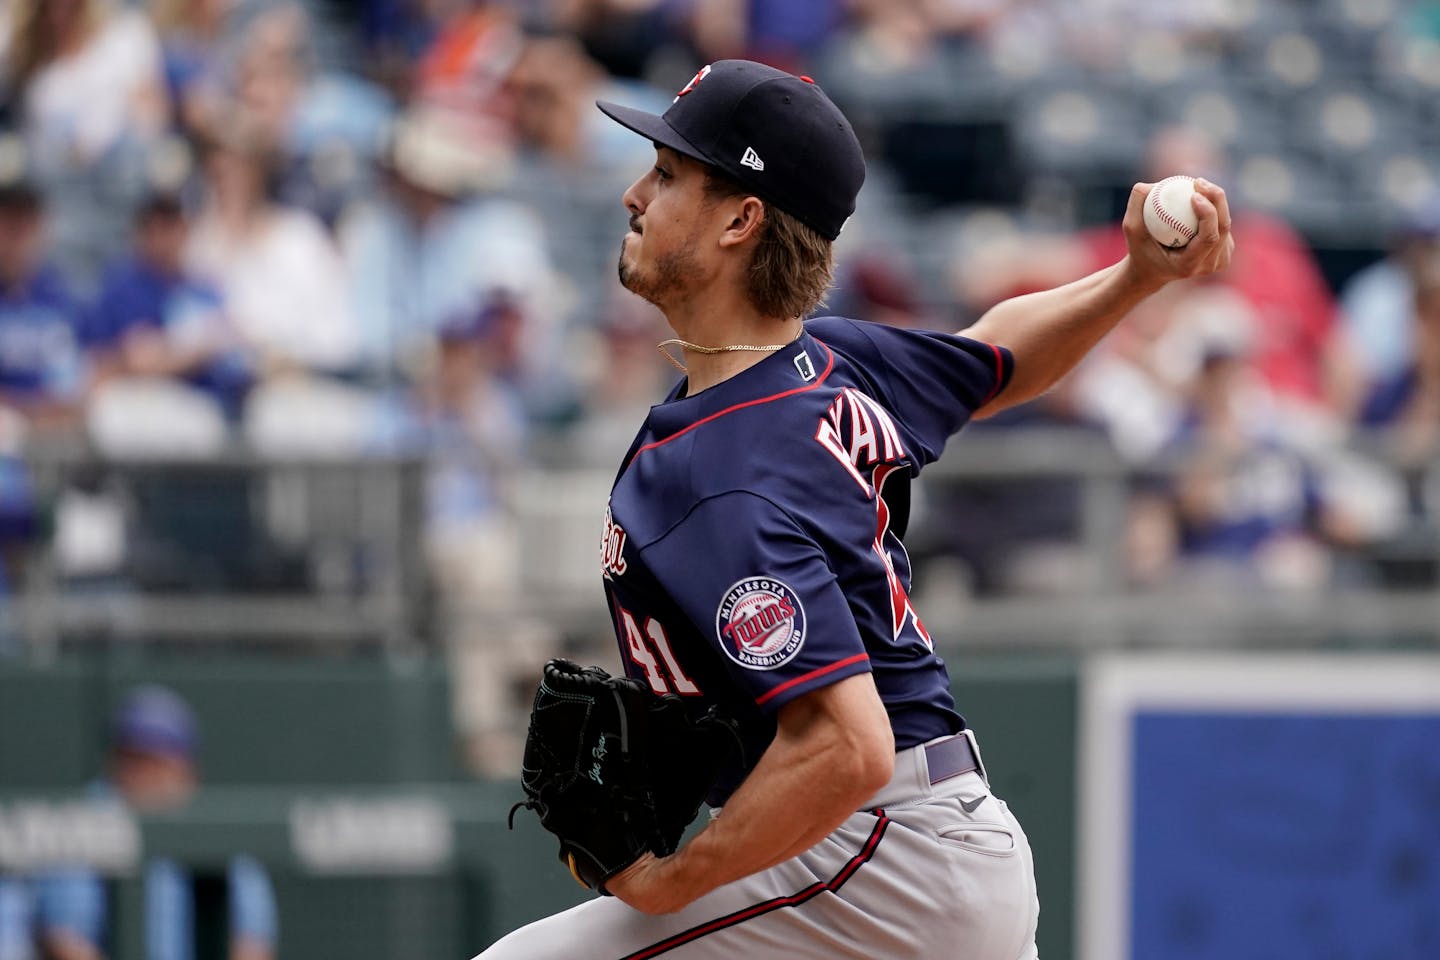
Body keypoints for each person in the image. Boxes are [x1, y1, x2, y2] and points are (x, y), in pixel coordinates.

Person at [474, 59, 1232, 959]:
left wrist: (677, 879)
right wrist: (1132, 280)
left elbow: (847, 745)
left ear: (740, 220)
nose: (636, 193)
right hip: (916, 851)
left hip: (876, 856)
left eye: (670, 174)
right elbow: (994, 358)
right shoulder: (824, 361)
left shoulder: (724, 469)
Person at [0, 686, 278, 960]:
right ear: (115, 760)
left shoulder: (214, 829)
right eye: (134, 758)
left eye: (159, 760)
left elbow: (253, 941)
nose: (146, 774)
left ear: (187, 769)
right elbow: (65, 941)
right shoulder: (87, 818)